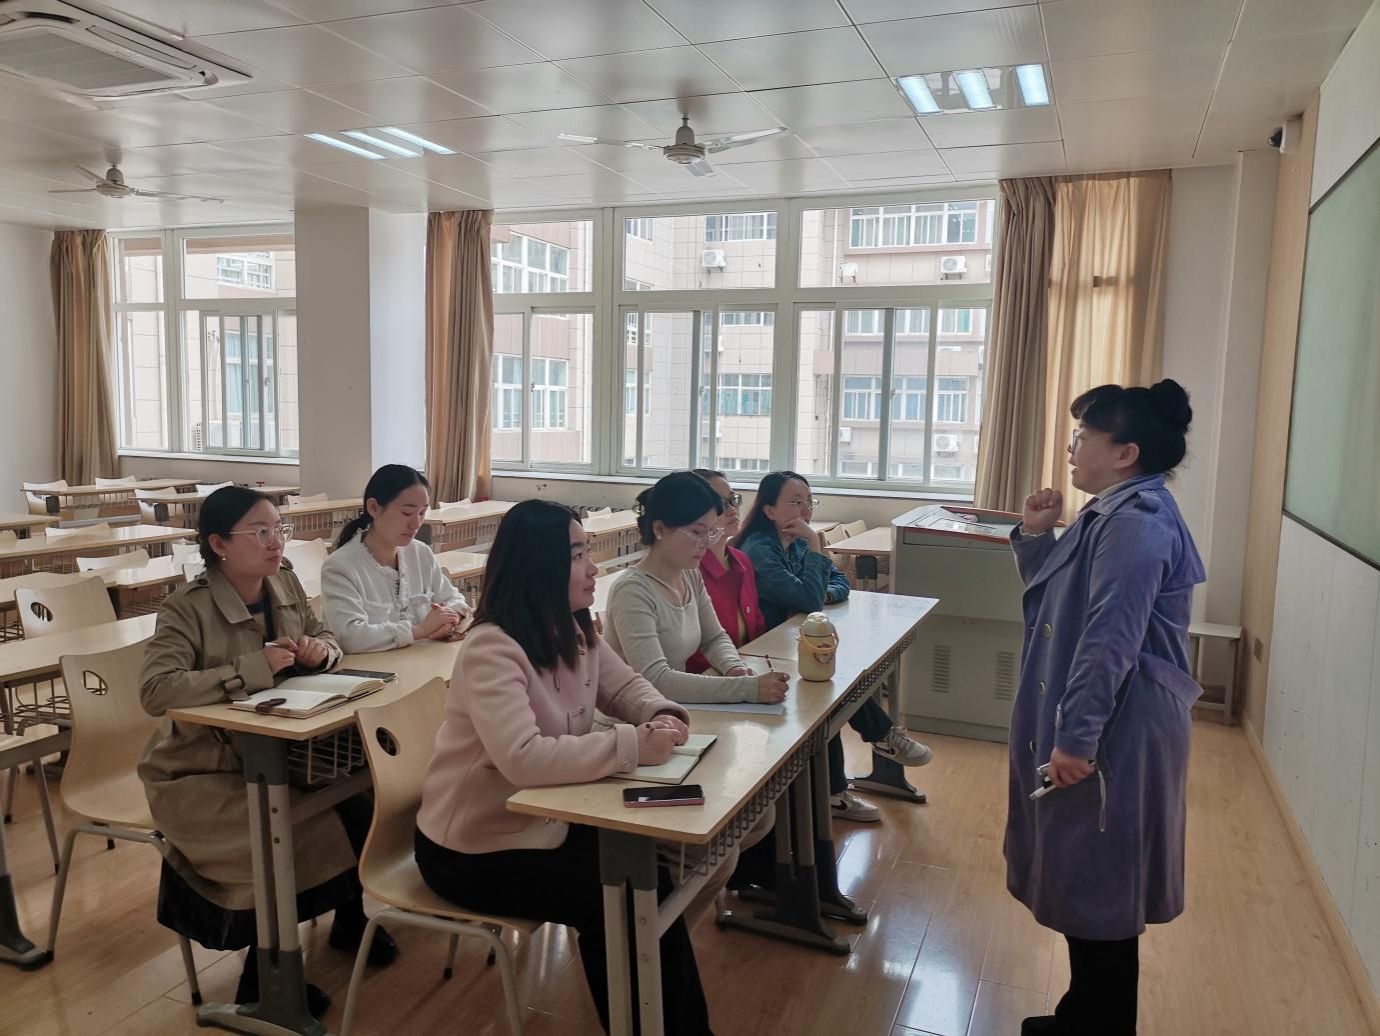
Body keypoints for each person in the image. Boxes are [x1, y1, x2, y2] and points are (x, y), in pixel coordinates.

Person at [414, 499, 712, 1035]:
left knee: (647, 878)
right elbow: (523, 757)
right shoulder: (491, 648)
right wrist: (632, 744)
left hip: (546, 819)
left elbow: (624, 686)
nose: (593, 567)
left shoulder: (574, 628)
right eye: (578, 556)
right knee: (617, 897)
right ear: (539, 565)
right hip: (473, 847)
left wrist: (660, 712)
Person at [139, 487, 396, 1018]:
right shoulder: (186, 608)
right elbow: (157, 690)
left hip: (282, 751)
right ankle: (263, 978)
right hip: (202, 771)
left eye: (279, 529)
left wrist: (321, 651)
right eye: (260, 532)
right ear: (219, 544)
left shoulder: (284, 582)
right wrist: (252, 668)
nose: (276, 541)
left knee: (362, 796)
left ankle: (351, 922)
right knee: (288, 828)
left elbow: (324, 633)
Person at [1007, 380, 1205, 1036]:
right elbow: (1064, 602)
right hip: (1108, 721)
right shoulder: (1113, 510)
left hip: (1118, 729)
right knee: (1090, 883)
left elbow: (1109, 639)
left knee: (1102, 890)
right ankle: (1084, 1016)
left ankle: (1097, 1025)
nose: (1072, 449)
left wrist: (1077, 739)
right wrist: (1036, 537)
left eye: (1083, 437)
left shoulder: (1136, 522)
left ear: (1125, 453)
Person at [735, 470, 933, 822]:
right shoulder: (761, 549)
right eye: (795, 502)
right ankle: (874, 747)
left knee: (839, 681)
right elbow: (808, 600)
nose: (805, 509)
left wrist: (821, 592)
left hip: (790, 643)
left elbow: (840, 580)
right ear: (769, 510)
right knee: (831, 689)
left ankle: (863, 761)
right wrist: (815, 549)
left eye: (809, 501)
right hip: (763, 652)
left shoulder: (793, 541)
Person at [604, 470, 789, 707]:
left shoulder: (689, 574)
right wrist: (747, 688)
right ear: (660, 529)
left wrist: (735, 668)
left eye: (711, 532)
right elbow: (655, 680)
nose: (706, 543)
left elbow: (713, 638)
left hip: (673, 709)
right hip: (635, 717)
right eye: (697, 532)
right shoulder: (632, 591)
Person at [321, 464, 469, 653]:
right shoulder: (340, 567)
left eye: (422, 513)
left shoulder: (421, 553)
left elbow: (453, 598)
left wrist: (451, 616)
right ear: (374, 508)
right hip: (371, 670)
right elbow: (349, 636)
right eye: (407, 513)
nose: (416, 524)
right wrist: (419, 630)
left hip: (422, 662)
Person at [684, 468, 765, 674]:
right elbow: (693, 655)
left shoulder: (742, 560)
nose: (732, 510)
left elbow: (757, 629)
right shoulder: (689, 570)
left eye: (733, 500)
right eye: (720, 504)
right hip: (708, 679)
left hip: (742, 669)